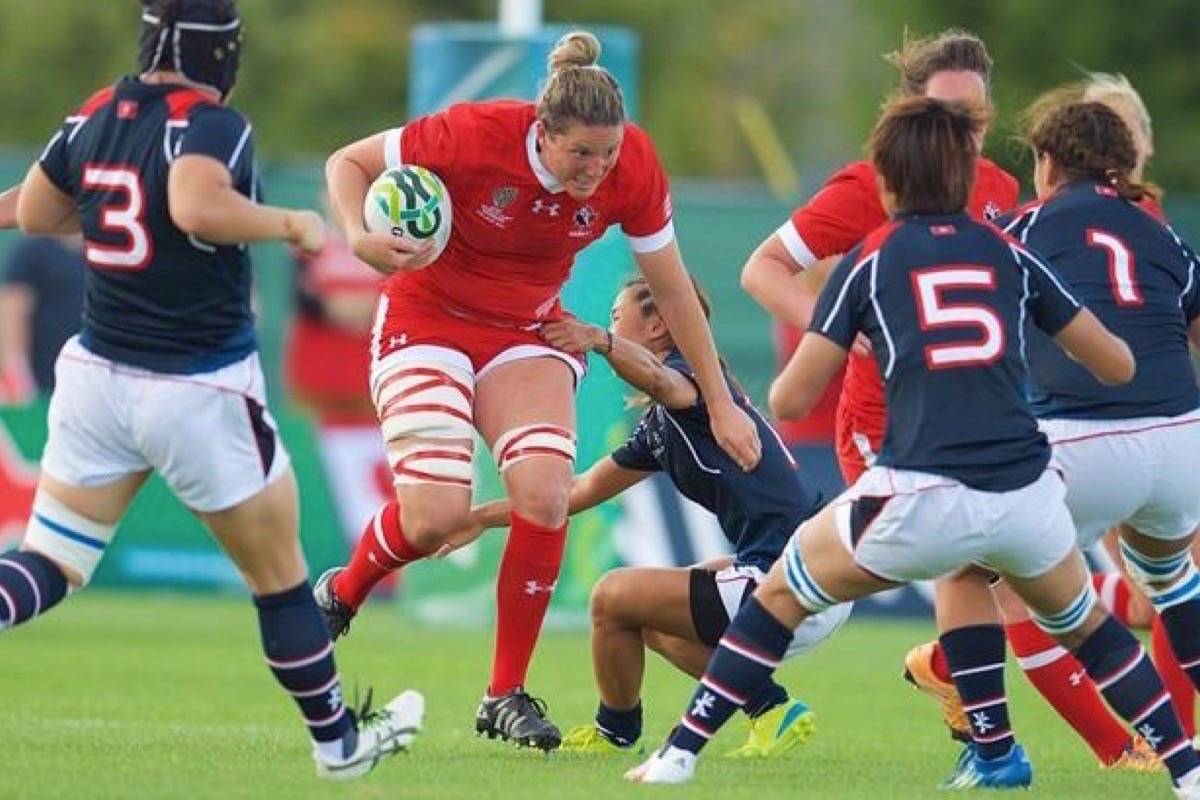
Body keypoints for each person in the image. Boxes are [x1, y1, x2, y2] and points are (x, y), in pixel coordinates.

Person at [627, 96, 1200, 799]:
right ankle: (1187, 769)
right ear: (967, 177)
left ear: (888, 182)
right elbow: (1116, 363)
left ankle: (680, 753)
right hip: (1026, 492)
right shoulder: (1009, 250)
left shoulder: (873, 259)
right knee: (1091, 628)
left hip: (921, 491)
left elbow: (790, 402)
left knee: (780, 593)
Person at [0, 0, 421, 779]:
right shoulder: (212, 123)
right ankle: (339, 746)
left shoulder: (98, 109)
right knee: (281, 579)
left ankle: (339, 743)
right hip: (196, 386)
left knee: (50, 560)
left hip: (96, 375)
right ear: (217, 51)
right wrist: (288, 223)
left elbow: (34, 209)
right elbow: (195, 203)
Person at [315, 29, 762, 752]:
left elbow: (674, 289)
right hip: (427, 317)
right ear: (540, 131)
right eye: (580, 153)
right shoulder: (473, 133)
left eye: (608, 153)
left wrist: (718, 400)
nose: (596, 170)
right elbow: (350, 162)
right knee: (432, 518)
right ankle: (343, 590)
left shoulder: (634, 166)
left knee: (547, 495)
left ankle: (503, 694)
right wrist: (356, 236)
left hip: (528, 330)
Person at [439, 276, 849, 758]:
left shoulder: (695, 379)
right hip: (800, 577)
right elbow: (574, 492)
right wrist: (479, 518)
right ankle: (766, 712)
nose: (610, 324)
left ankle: (641, 729)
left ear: (657, 325)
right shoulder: (661, 425)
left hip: (792, 578)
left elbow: (660, 380)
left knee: (611, 595)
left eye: (617, 316)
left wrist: (601, 341)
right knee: (651, 618)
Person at [910, 96, 1200, 768]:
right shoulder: (1161, 233)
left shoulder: (1023, 230)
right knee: (1172, 579)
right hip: (1182, 435)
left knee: (966, 569)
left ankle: (994, 754)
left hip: (1083, 439)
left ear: (1046, 160)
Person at [0, 234, 86, 403]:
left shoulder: (103, 251)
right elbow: (13, 312)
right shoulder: (32, 250)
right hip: (43, 375)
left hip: (87, 373)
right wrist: (16, 369)